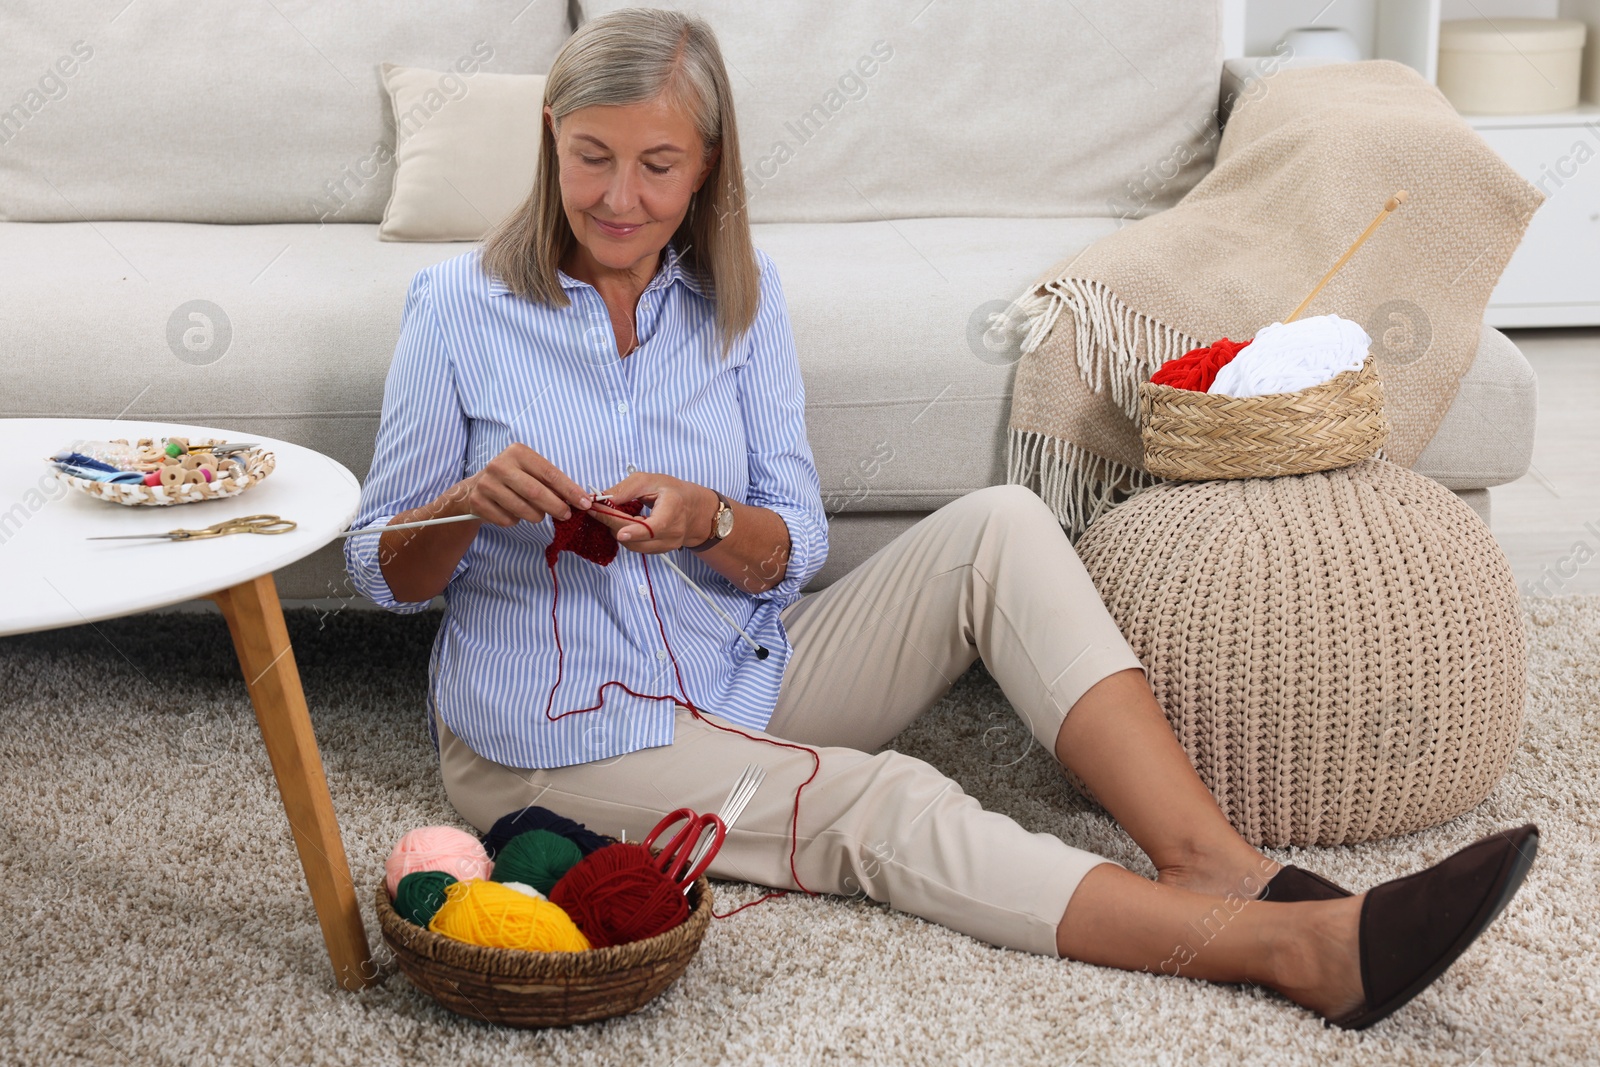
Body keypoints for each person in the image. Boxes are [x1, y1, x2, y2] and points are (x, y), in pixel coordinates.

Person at [345, 7, 1537, 1031]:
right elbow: (377, 566)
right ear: (549, 138)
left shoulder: (736, 311)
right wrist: (456, 506)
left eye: (657, 165)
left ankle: (1212, 856)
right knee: (885, 801)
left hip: (732, 668)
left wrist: (711, 519)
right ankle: (1293, 951)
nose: (618, 196)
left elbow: (791, 546)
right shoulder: (455, 311)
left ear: (706, 167)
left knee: (1004, 524)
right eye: (590, 156)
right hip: (552, 743)